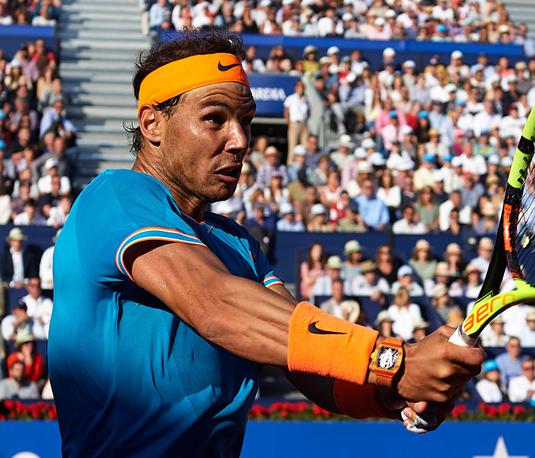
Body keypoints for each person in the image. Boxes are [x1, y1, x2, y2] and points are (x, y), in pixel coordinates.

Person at [49, 32, 484, 453]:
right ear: (152, 124)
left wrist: (394, 393)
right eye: (214, 118)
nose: (239, 141)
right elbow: (216, 305)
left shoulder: (239, 245)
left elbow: (312, 370)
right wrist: (395, 362)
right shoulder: (116, 197)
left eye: (246, 121)